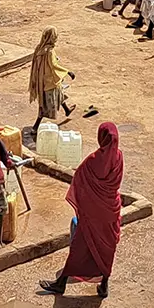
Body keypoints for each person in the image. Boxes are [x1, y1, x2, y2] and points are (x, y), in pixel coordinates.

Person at [41, 122, 125, 298]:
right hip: (110, 211)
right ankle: (104, 285)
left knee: (79, 248)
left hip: (92, 213)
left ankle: (61, 283)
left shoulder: (94, 160)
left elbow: (80, 178)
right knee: (107, 249)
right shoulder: (119, 157)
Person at [29, 28, 76, 132]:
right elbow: (54, 66)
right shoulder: (49, 52)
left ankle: (67, 109)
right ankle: (35, 127)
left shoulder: (39, 48)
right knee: (44, 105)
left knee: (59, 93)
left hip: (42, 80)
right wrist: (68, 72)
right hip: (50, 81)